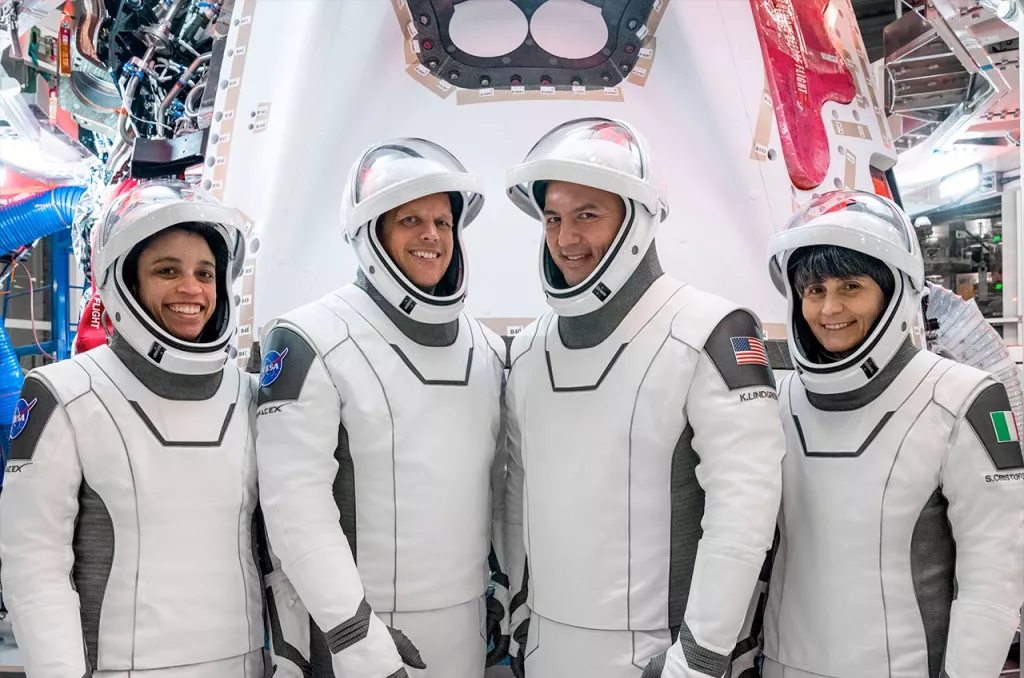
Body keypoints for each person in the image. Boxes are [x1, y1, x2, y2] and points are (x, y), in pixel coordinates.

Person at [501, 117, 785, 678]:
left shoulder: (710, 330)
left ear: (635, 219)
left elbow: (746, 507)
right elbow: (517, 490)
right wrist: (518, 610)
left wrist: (702, 654)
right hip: (546, 646)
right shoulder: (530, 348)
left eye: (587, 215)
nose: (565, 239)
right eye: (553, 218)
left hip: (661, 654)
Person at [255, 138, 509, 678]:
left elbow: (498, 488)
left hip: (464, 627)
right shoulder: (310, 336)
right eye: (410, 219)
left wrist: (501, 597)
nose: (431, 236)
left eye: (443, 221)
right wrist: (356, 639)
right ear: (372, 235)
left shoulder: (484, 348)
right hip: (358, 638)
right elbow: (294, 506)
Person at [0, 180, 266, 677]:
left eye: (204, 273)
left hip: (246, 663)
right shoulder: (65, 393)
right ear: (124, 280)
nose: (192, 289)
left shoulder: (249, 395)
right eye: (168, 271)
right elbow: (33, 568)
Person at [762, 189, 1024, 678]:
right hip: (782, 663)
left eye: (851, 287)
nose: (828, 309)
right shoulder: (781, 398)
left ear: (896, 290)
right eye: (813, 291)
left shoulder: (961, 396)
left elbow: (994, 577)